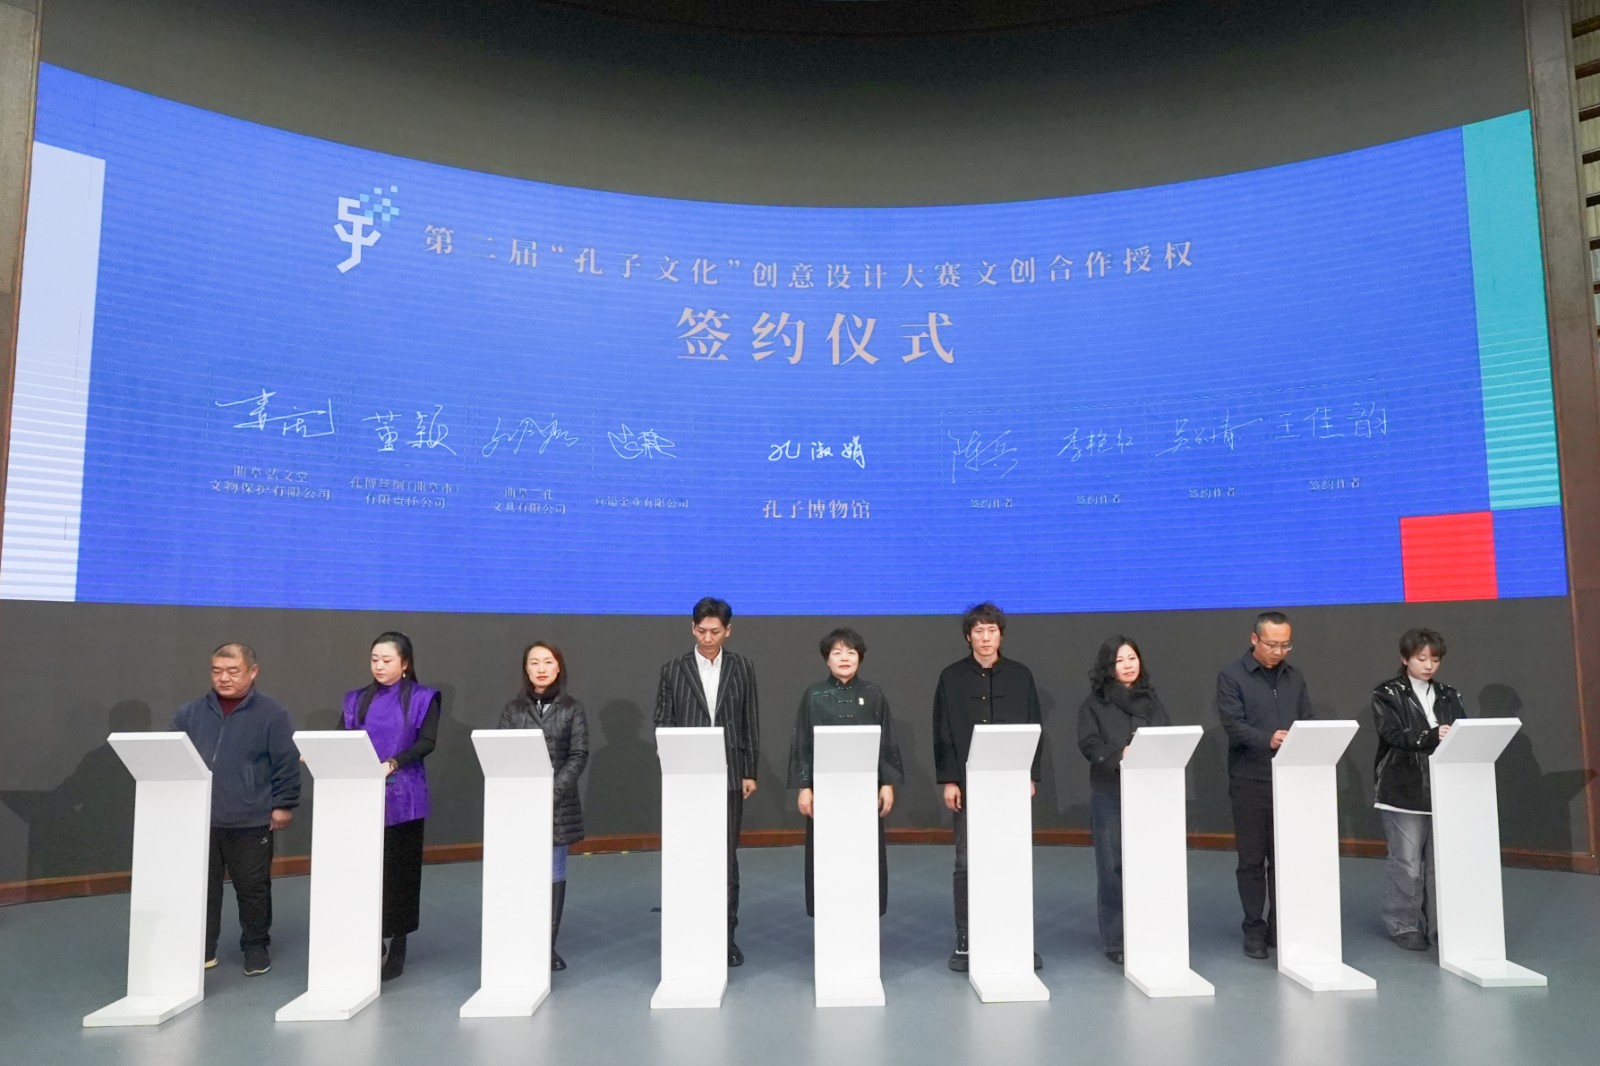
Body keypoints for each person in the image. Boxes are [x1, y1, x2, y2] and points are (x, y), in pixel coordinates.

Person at [170, 642, 301, 977]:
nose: (223, 678)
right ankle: (203, 947)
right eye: (217, 671)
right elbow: (172, 757)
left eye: (232, 671)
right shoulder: (189, 713)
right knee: (202, 887)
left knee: (253, 888)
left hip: (251, 818)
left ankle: (255, 946)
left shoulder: (273, 713)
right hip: (201, 818)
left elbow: (286, 762)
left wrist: (283, 804)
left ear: (252, 672)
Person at [931, 601, 1043, 973]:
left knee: (1013, 859)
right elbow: (942, 731)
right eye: (978, 631)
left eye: (991, 630)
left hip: (1011, 782)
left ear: (1001, 635)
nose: (985, 637)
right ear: (968, 636)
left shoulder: (1021, 675)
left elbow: (1034, 726)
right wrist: (949, 779)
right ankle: (966, 938)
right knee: (966, 862)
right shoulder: (951, 677)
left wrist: (1030, 774)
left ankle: (1018, 937)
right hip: (969, 784)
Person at [653, 597, 760, 966]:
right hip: (687, 776)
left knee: (726, 857)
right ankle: (690, 931)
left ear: (728, 630)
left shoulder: (742, 667)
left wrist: (749, 770)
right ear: (692, 628)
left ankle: (726, 936)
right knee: (689, 855)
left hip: (730, 773)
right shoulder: (673, 669)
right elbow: (663, 722)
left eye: (715, 631)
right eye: (702, 631)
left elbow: (749, 720)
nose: (708, 638)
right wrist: (672, 766)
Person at [341, 631, 440, 981]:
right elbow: (340, 738)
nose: (379, 666)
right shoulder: (356, 699)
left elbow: (427, 742)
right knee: (363, 869)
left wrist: (394, 763)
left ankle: (398, 941)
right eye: (374, 660)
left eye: (387, 660)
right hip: (362, 795)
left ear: (405, 663)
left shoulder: (423, 697)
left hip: (404, 795)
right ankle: (368, 937)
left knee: (400, 872)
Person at [1215, 610, 1314, 959]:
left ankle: (1279, 925)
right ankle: (1254, 929)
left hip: (1289, 780)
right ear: (1254, 639)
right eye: (1272, 644)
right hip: (1250, 780)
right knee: (1252, 860)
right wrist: (1267, 739)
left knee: (1284, 859)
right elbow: (1233, 725)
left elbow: (1307, 720)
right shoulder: (1232, 676)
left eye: (1285, 645)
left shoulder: (1294, 677)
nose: (1278, 652)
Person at [787, 627, 904, 918]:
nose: (844, 658)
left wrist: (887, 783)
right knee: (825, 851)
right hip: (825, 789)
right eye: (837, 652)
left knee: (866, 851)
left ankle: (868, 908)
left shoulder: (873, 693)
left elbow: (887, 740)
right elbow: (802, 742)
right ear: (826, 659)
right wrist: (804, 786)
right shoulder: (814, 695)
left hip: (864, 788)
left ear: (860, 658)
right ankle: (825, 908)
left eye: (851, 652)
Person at [1076, 636, 1171, 966]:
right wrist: (1120, 755)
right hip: (1110, 793)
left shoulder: (1151, 700)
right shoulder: (1094, 703)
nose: (1128, 665)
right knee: (1112, 868)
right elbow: (1088, 743)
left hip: (1150, 793)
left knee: (1150, 864)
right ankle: (1116, 939)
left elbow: (1166, 736)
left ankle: (1150, 930)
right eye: (1120, 660)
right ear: (1108, 666)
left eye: (1132, 658)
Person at [1371, 627, 1466, 951]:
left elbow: (1464, 731)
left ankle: (1442, 925)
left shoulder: (1450, 694)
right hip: (1402, 788)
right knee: (1407, 864)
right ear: (1405, 659)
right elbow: (1391, 734)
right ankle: (1404, 924)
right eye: (1421, 658)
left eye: (1435, 660)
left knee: (1442, 864)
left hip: (1444, 787)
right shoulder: (1387, 693)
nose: (1429, 665)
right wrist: (1431, 735)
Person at [499, 641, 590, 971]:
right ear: (525, 668)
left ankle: (547, 945)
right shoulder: (513, 710)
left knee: (554, 871)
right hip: (519, 804)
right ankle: (520, 938)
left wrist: (550, 791)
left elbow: (578, 755)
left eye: (548, 662)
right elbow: (501, 751)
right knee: (521, 871)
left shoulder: (572, 708)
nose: (541, 668)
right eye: (534, 662)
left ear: (558, 667)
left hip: (557, 805)